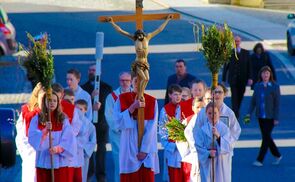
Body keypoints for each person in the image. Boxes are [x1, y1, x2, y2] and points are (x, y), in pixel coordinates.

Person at [107, 15, 173, 102]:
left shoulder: (148, 37)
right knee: (144, 78)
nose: (140, 37)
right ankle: (140, 94)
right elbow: (121, 31)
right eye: (138, 36)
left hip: (145, 63)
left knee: (147, 79)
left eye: (141, 35)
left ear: (143, 34)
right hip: (138, 63)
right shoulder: (134, 39)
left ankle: (140, 93)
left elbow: (159, 29)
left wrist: (167, 20)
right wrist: (112, 22)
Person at [113, 75, 159, 181]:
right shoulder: (122, 99)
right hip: (129, 145)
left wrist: (145, 149)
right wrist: (132, 107)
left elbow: (152, 127)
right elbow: (117, 122)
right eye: (136, 81)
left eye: (142, 81)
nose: (139, 84)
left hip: (146, 148)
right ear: (132, 82)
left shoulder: (152, 101)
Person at [194, 83, 241, 182]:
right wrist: (205, 150)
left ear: (225, 94)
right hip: (208, 155)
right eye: (215, 92)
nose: (217, 95)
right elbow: (197, 132)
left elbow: (235, 131)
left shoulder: (229, 113)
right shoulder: (203, 112)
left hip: (223, 155)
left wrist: (225, 143)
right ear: (212, 94)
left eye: (220, 92)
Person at [28, 92, 77, 182]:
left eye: (55, 101)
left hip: (59, 161)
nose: (52, 103)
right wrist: (45, 131)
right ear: (44, 102)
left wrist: (58, 149)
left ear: (58, 103)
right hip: (43, 160)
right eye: (49, 100)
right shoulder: (37, 118)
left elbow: (69, 138)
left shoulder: (63, 119)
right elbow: (32, 136)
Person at [245, 66, 282, 166]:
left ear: (270, 75)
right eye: (264, 73)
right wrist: (248, 113)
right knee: (267, 137)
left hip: (270, 117)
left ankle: (259, 160)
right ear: (261, 75)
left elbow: (277, 104)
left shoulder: (275, 86)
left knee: (266, 138)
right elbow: (253, 102)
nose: (265, 75)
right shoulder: (257, 86)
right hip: (261, 116)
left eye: (267, 73)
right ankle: (277, 155)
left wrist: (276, 118)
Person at [81, 64, 112, 182]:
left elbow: (109, 106)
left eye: (94, 70)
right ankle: (89, 173)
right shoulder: (83, 88)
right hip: (88, 125)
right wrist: (91, 96)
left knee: (101, 152)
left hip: (102, 124)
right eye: (90, 70)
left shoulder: (106, 88)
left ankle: (101, 176)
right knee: (89, 150)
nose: (91, 72)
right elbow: (81, 104)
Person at [104, 72, 132, 182]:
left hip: (132, 134)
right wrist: (119, 128)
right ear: (119, 81)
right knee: (120, 163)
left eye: (127, 80)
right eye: (122, 80)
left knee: (133, 163)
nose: (125, 83)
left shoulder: (136, 95)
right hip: (117, 134)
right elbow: (109, 115)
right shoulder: (112, 97)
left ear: (131, 81)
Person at [194, 102, 231, 182]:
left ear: (219, 113)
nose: (212, 115)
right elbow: (198, 146)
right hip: (208, 162)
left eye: (215, 113)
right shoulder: (203, 129)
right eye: (209, 113)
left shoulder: (224, 128)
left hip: (220, 162)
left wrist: (218, 136)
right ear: (206, 114)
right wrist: (208, 153)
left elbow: (228, 146)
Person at [15, 82, 45, 182]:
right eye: (43, 98)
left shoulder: (52, 112)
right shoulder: (27, 113)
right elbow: (21, 138)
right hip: (32, 157)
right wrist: (30, 154)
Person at [222, 36, 253, 119]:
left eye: (238, 41)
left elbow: (249, 66)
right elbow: (226, 66)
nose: (237, 42)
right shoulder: (229, 53)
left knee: (240, 95)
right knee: (234, 96)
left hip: (243, 79)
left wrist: (250, 78)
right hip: (233, 79)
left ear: (240, 42)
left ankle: (236, 109)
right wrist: (224, 79)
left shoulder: (246, 53)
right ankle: (235, 112)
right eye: (235, 41)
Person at [75, 99, 97, 182]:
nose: (78, 111)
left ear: (85, 110)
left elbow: (93, 141)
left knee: (82, 175)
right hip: (72, 153)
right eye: (76, 108)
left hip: (83, 154)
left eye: (81, 109)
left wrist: (85, 150)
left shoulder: (90, 125)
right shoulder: (69, 122)